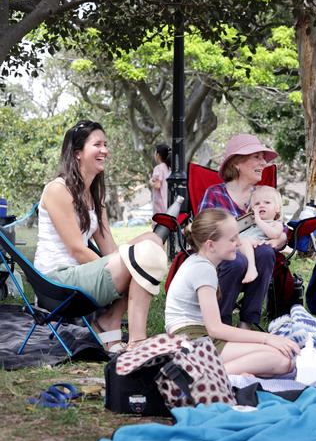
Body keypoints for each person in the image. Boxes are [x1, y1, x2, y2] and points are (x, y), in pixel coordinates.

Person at [34, 120, 168, 352]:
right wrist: (125, 268)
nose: (104, 150)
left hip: (82, 274)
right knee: (142, 257)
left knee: (152, 240)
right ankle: (135, 339)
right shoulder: (58, 189)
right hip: (57, 281)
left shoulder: (94, 195)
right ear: (77, 153)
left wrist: (126, 265)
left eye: (105, 144)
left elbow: (110, 251)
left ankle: (110, 322)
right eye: (97, 144)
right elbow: (77, 249)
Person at [165, 208, 299, 376]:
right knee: (281, 359)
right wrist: (267, 338)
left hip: (196, 338)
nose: (239, 242)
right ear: (211, 245)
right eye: (232, 239)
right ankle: (205, 377)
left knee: (277, 359)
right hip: (192, 341)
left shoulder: (200, 263)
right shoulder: (203, 270)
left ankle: (219, 372)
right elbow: (215, 328)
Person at [199, 133, 286, 329]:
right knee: (235, 260)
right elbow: (202, 231)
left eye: (263, 158)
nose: (263, 163)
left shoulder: (262, 194)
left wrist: (280, 237)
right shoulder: (215, 194)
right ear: (237, 163)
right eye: (257, 157)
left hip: (257, 252)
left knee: (265, 252)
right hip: (221, 258)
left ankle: (248, 322)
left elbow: (280, 223)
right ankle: (221, 323)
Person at [239, 185, 284, 284]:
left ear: (277, 209)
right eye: (257, 203)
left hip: (251, 246)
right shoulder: (251, 222)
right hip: (238, 247)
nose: (261, 205)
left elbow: (274, 235)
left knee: (244, 240)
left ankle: (252, 269)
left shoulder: (276, 224)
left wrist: (259, 221)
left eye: (267, 202)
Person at [149, 143, 172, 215]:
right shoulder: (168, 168)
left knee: (159, 224)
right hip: (167, 204)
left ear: (158, 155)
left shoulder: (158, 168)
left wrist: (150, 182)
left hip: (160, 205)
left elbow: (157, 185)